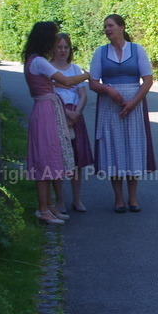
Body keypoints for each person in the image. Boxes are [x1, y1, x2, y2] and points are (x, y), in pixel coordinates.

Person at [21, 21, 90, 225]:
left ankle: (50, 206)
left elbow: (49, 82)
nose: (55, 42)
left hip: (44, 109)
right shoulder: (40, 61)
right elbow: (67, 81)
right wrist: (87, 75)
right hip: (46, 111)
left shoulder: (32, 60)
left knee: (49, 157)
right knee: (45, 159)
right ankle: (43, 209)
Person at [89, 14, 156, 213]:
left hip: (134, 106)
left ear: (121, 27)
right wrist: (108, 90)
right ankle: (119, 199)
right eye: (105, 27)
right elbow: (93, 82)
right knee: (114, 149)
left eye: (110, 25)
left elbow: (148, 80)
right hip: (110, 107)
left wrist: (133, 103)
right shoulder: (100, 52)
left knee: (133, 148)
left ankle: (133, 197)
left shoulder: (137, 50)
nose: (107, 29)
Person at [50, 32, 93, 213]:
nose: (63, 50)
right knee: (58, 160)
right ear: (53, 49)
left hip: (75, 117)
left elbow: (83, 95)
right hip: (56, 116)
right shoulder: (49, 69)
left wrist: (76, 113)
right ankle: (60, 201)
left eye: (66, 47)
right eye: (59, 47)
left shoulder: (75, 69)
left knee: (77, 161)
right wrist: (65, 113)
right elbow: (49, 96)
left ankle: (77, 199)